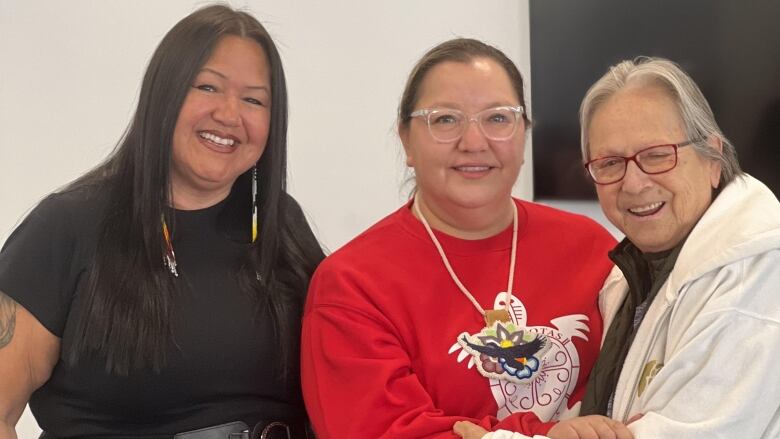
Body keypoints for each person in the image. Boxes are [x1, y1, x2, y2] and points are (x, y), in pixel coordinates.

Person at [0, 5, 323, 438]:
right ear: (163, 95)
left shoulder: (282, 225)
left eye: (253, 99)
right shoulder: (68, 227)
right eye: (208, 87)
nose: (229, 115)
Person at [300, 38, 623, 438]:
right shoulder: (353, 285)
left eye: (498, 118)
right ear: (406, 140)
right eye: (445, 120)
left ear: (524, 134)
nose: (474, 142)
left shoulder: (590, 248)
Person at [455, 57, 780, 438]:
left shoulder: (753, 277)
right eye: (610, 163)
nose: (634, 184)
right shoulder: (627, 278)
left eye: (657, 155)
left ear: (713, 158)